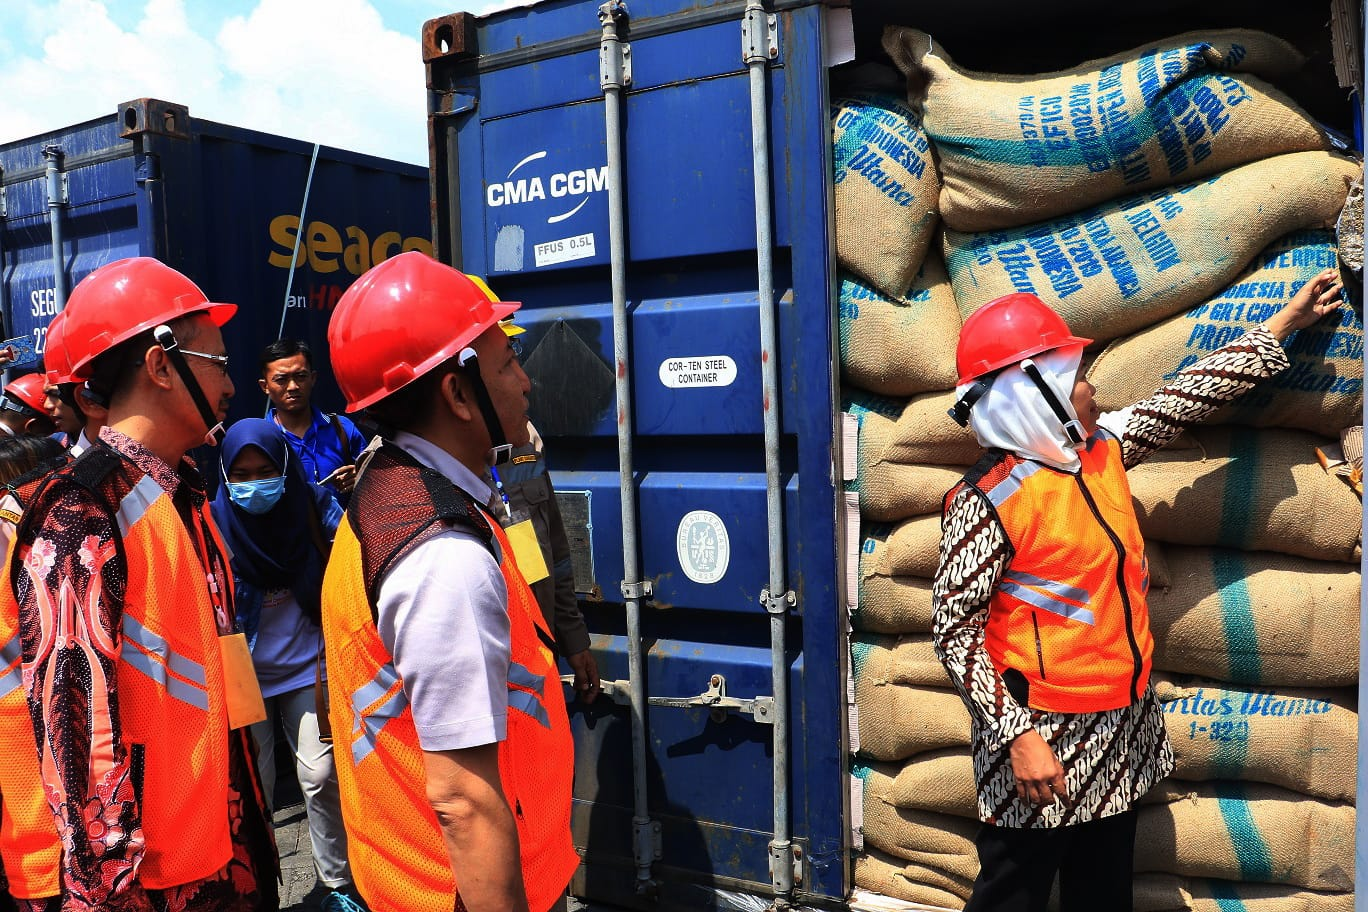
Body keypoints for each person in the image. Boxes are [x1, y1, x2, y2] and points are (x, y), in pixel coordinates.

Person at [933, 272, 1344, 912]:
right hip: (1043, 734)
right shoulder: (988, 500)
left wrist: (1281, 328)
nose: (1093, 389)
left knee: (1103, 893)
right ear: (1031, 395)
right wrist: (1016, 736)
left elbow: (1182, 399)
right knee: (1013, 892)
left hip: (1120, 725)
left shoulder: (1100, 453)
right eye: (1078, 377)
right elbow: (955, 632)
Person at [7, 256, 278, 911]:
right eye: (215, 362)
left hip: (215, 863)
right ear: (161, 364)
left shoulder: (181, 497)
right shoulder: (80, 515)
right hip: (151, 890)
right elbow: (82, 758)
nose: (232, 385)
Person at [321, 251, 577, 912]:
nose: (527, 382)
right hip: (459, 892)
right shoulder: (444, 558)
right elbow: (462, 802)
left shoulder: (389, 494)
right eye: (506, 364)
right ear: (458, 394)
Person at [210, 419, 365, 912]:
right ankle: (258, 888)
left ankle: (336, 887)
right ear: (225, 475)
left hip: (307, 668)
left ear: (284, 466)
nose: (254, 484)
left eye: (264, 470)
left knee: (320, 776)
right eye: (242, 474)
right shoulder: (212, 521)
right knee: (253, 788)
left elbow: (355, 555)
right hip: (243, 674)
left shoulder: (313, 505)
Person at [260, 339, 366, 504]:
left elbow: (376, 482)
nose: (293, 386)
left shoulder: (342, 429)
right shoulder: (259, 439)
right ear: (264, 386)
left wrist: (360, 477)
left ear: (313, 378)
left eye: (300, 376)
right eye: (281, 380)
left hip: (343, 529)